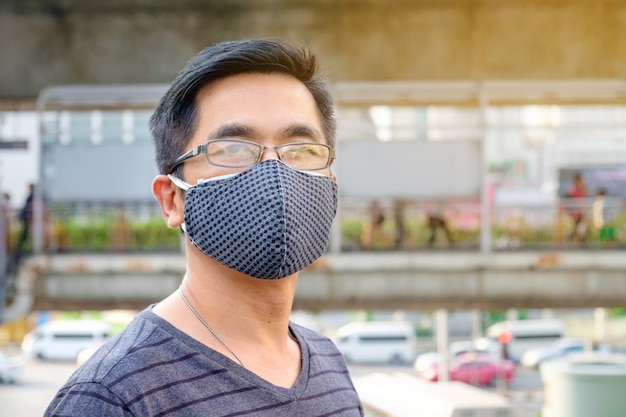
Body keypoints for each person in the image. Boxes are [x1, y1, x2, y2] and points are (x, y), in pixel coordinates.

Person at [44, 39, 363, 417]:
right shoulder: (112, 397)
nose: (276, 173)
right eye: (233, 149)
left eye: (301, 150)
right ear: (172, 200)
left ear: (331, 185)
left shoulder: (329, 363)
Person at [566, 173, 587, 243]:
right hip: (575, 215)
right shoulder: (573, 191)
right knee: (576, 230)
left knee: (580, 230)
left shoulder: (582, 190)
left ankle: (578, 243)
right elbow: (570, 203)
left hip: (580, 215)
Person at [16, 183, 33, 252]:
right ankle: (23, 246)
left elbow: (28, 207)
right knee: (25, 232)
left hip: (27, 217)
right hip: (26, 216)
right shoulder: (30, 196)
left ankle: (23, 247)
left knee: (25, 232)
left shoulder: (31, 196)